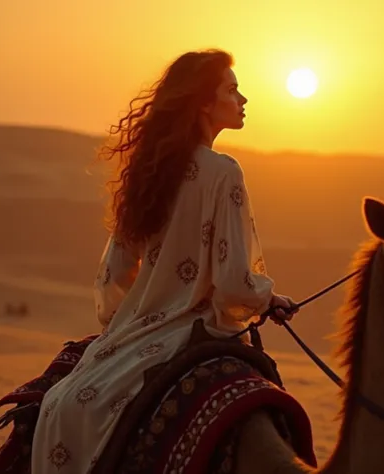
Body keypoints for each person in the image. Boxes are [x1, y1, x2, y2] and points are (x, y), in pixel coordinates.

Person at [30, 48, 298, 473]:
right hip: (195, 329)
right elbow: (233, 284)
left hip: (135, 331)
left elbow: (116, 272)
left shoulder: (149, 171)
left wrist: (129, 323)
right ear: (203, 102)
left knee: (60, 405)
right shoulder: (224, 172)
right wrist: (267, 298)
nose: (243, 98)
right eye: (232, 89)